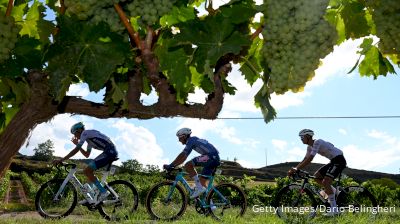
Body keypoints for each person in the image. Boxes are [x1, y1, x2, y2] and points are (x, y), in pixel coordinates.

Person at [53, 122, 118, 205]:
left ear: (79, 130)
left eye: (75, 133)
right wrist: (77, 144)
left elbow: (76, 150)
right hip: (109, 152)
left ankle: (103, 192)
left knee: (87, 171)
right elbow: (86, 155)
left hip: (109, 152)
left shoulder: (85, 133)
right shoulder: (89, 140)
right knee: (88, 173)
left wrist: (61, 159)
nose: (75, 136)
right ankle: (90, 197)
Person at [287, 129, 347, 216]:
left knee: (326, 182)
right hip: (333, 161)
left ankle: (334, 210)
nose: (301, 139)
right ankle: (332, 192)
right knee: (317, 176)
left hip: (339, 160)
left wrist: (296, 169)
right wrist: (296, 168)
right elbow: (305, 159)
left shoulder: (317, 142)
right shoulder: (309, 147)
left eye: (302, 137)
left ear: (308, 136)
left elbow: (310, 159)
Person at [164, 128, 220, 199]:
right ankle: (210, 206)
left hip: (211, 157)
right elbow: (182, 157)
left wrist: (171, 165)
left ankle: (199, 189)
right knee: (202, 184)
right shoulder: (194, 139)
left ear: (184, 136)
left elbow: (183, 156)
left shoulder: (191, 141)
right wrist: (174, 165)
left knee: (188, 165)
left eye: (180, 138)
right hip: (213, 158)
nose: (179, 140)